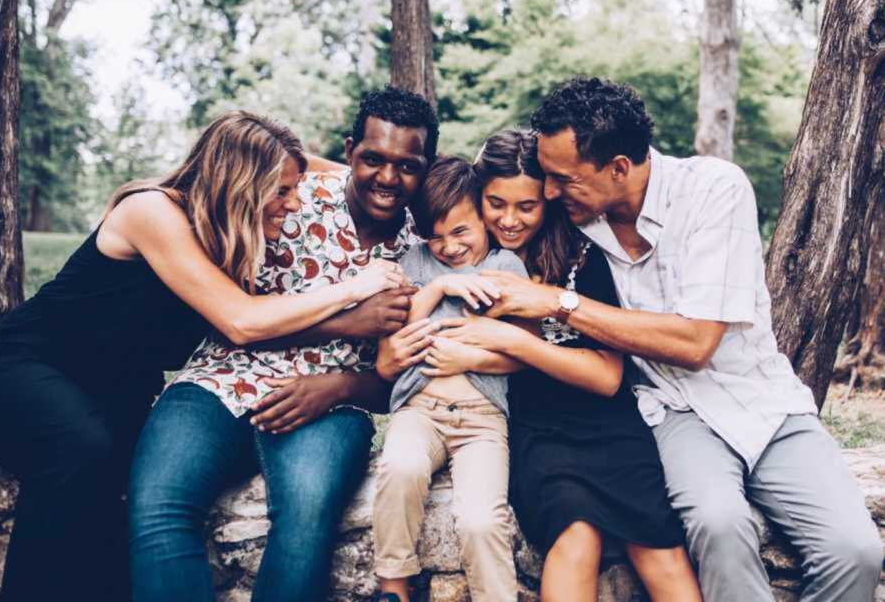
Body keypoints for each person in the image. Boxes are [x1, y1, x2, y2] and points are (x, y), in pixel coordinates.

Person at [446, 77, 883, 602]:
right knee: (720, 528)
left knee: (856, 551)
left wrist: (558, 304)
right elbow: (462, 206)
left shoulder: (713, 191)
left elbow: (697, 343)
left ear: (619, 168)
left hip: (761, 400)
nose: (550, 192)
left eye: (563, 179)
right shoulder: (572, 219)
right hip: (669, 409)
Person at [0, 110, 406, 602]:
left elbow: (319, 166)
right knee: (81, 450)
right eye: (282, 192)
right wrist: (357, 289)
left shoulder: (229, 226)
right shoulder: (153, 212)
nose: (295, 204)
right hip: (29, 365)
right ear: (242, 182)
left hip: (115, 387)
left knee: (115, 490)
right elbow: (242, 321)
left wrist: (376, 174)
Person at [128, 86, 440, 602]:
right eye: (372, 159)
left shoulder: (428, 247)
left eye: (407, 166)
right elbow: (233, 318)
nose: (387, 178)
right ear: (348, 152)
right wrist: (349, 319)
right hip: (221, 376)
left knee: (305, 520)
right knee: (159, 504)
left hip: (332, 405)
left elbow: (407, 383)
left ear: (426, 168)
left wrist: (338, 387)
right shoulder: (288, 194)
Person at [384, 130, 701, 602]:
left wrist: (509, 337)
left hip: (604, 418)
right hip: (532, 422)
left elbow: (608, 377)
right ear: (476, 197)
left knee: (658, 544)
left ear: (549, 198)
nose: (509, 220)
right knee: (576, 535)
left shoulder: (581, 256)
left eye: (526, 206)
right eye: (495, 204)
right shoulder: (462, 258)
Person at [372, 156, 527, 602]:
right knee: (400, 468)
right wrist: (440, 288)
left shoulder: (506, 266)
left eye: (460, 232)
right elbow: (396, 329)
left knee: (481, 519)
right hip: (419, 411)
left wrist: (466, 358)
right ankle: (394, 585)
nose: (449, 247)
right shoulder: (416, 262)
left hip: (481, 420)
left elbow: (519, 352)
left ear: (482, 216)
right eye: (435, 236)